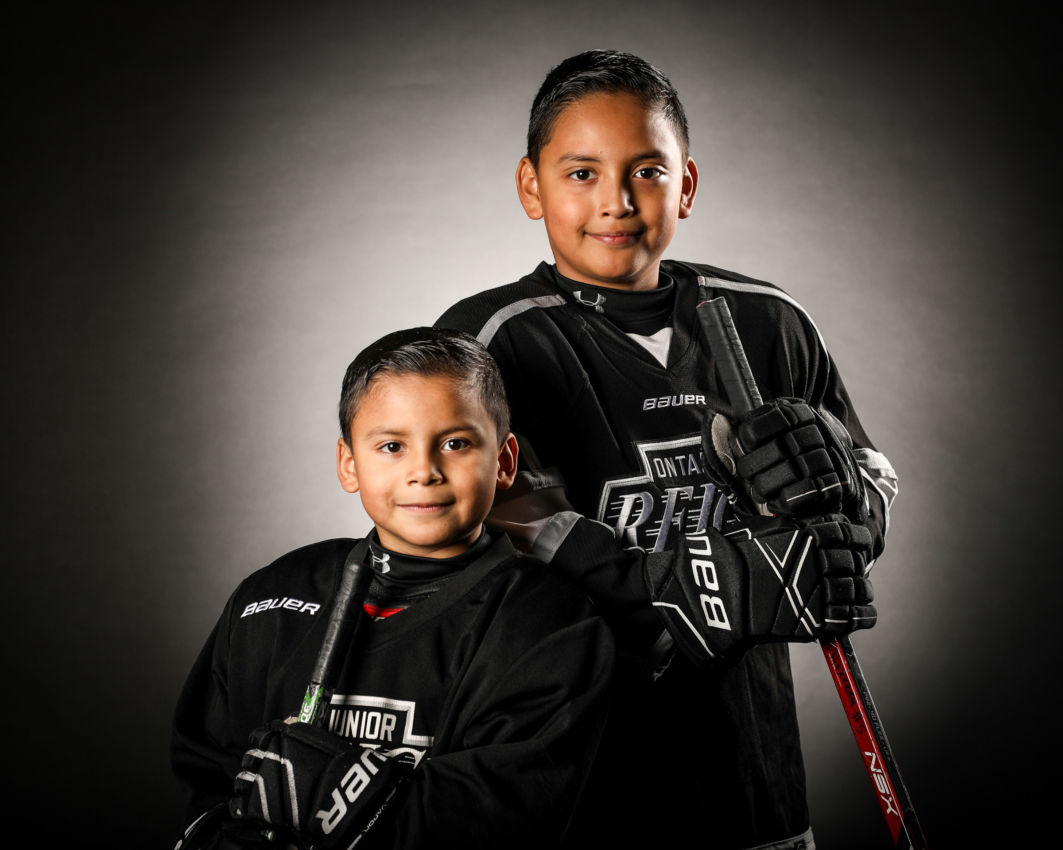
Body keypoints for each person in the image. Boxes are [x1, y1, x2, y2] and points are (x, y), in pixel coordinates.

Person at [435, 50, 898, 850]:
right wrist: (719, 586)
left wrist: (839, 507)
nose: (615, 201)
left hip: (751, 769)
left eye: (646, 172)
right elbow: (497, 539)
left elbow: (865, 489)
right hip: (576, 770)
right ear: (531, 186)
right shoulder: (487, 343)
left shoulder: (767, 320)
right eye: (581, 173)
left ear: (684, 185)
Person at [171, 327, 615, 850]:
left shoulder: (551, 625)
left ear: (504, 461)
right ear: (349, 464)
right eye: (391, 446)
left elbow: (510, 817)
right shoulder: (270, 596)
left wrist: (349, 797)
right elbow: (206, 776)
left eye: (456, 443)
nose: (423, 471)